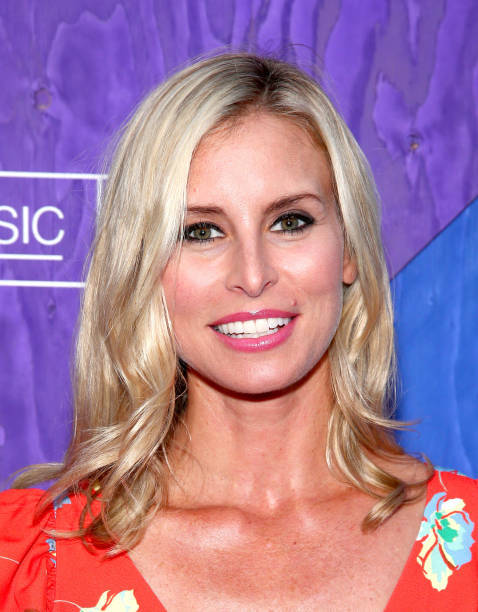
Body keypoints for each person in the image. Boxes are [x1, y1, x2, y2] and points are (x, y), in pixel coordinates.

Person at [0, 53, 476, 611]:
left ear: (348, 249)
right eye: (201, 231)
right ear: (144, 267)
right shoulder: (33, 565)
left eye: (290, 222)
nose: (252, 275)